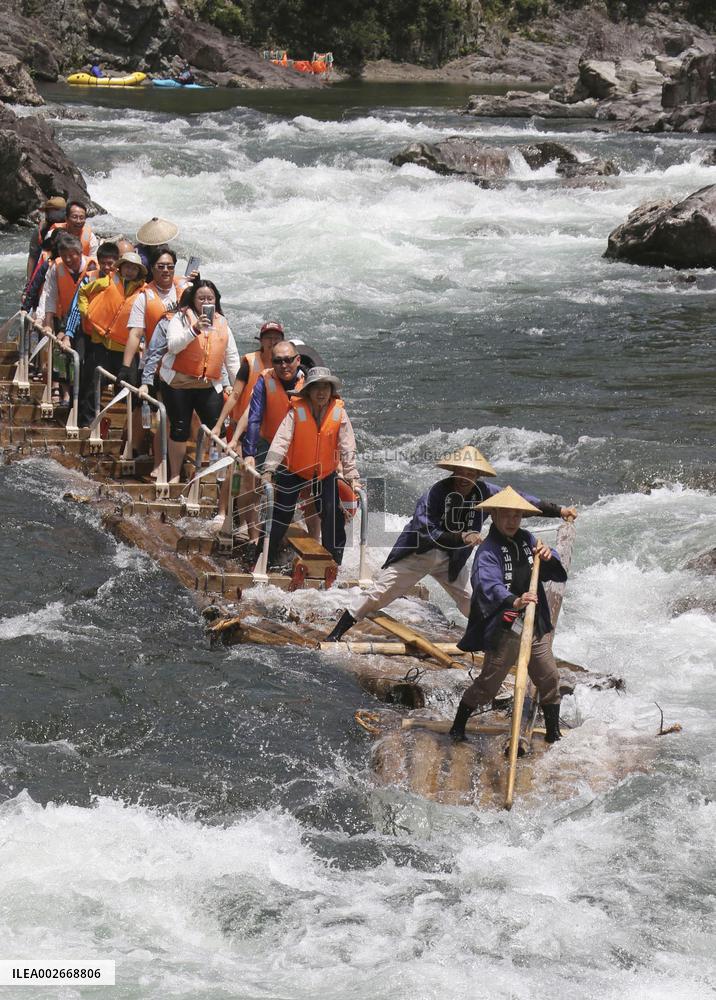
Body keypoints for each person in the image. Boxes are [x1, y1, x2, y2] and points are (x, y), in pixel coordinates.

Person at [325, 445, 577, 642]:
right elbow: (426, 530)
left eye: (470, 474)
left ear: (478, 476)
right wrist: (462, 537)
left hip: (452, 561)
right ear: (453, 472)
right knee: (378, 594)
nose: (464, 478)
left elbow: (520, 500)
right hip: (419, 554)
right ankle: (335, 633)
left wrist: (559, 510)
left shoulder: (487, 492)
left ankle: (496, 644)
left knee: (475, 602)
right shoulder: (435, 493)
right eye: (461, 473)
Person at [448, 486, 569, 744]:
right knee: (488, 686)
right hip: (504, 629)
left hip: (533, 624)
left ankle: (553, 734)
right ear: (493, 515)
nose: (511, 521)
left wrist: (548, 555)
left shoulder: (528, 539)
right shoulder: (487, 550)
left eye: (516, 516)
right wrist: (515, 600)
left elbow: (552, 568)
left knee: (549, 677)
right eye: (506, 515)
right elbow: (487, 585)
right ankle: (457, 727)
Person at [261, 366, 361, 566]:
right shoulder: (296, 411)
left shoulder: (339, 413)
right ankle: (262, 559)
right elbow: (281, 440)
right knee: (281, 514)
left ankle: (334, 565)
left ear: (331, 391)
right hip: (295, 470)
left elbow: (348, 445)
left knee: (333, 517)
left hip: (325, 472)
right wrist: (269, 468)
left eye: (326, 387)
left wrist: (351, 474)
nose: (321, 392)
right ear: (308, 390)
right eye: (316, 387)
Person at [223, 338, 306, 542]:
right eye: (278, 361)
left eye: (288, 360)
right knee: (253, 486)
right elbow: (254, 416)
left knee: (307, 495)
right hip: (267, 442)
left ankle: (314, 541)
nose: (283, 365)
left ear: (297, 360)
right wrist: (249, 453)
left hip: (297, 446)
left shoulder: (309, 383)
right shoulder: (264, 380)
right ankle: (254, 537)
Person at [159, 279, 240, 482]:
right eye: (201, 297)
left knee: (216, 429)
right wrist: (194, 329)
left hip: (208, 383)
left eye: (210, 298)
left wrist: (238, 386)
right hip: (178, 382)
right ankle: (175, 474)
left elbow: (231, 359)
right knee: (180, 427)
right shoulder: (180, 318)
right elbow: (173, 346)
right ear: (193, 299)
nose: (205, 301)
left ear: (216, 300)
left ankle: (217, 473)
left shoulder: (222, 323)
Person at [79, 252, 147, 423]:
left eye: (134, 268)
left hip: (126, 349)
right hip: (100, 342)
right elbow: (83, 292)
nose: (130, 271)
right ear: (120, 267)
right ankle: (86, 423)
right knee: (91, 386)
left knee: (131, 389)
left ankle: (127, 430)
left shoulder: (144, 292)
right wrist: (86, 312)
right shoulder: (106, 281)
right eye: (127, 267)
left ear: (139, 272)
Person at [26, 196, 66, 281]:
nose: (48, 213)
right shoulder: (40, 230)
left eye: (52, 211)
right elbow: (33, 257)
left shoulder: (71, 226)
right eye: (48, 211)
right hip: (45, 272)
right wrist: (29, 281)